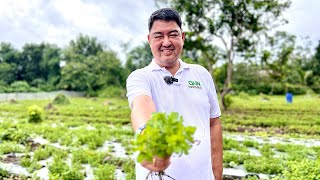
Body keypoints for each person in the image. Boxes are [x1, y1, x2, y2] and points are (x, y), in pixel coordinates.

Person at [126, 8, 223, 180]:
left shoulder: (201, 74)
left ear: (182, 37)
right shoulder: (141, 77)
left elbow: (214, 123)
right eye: (158, 36)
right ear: (149, 40)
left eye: (173, 34)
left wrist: (217, 174)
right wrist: (148, 137)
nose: (166, 42)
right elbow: (141, 105)